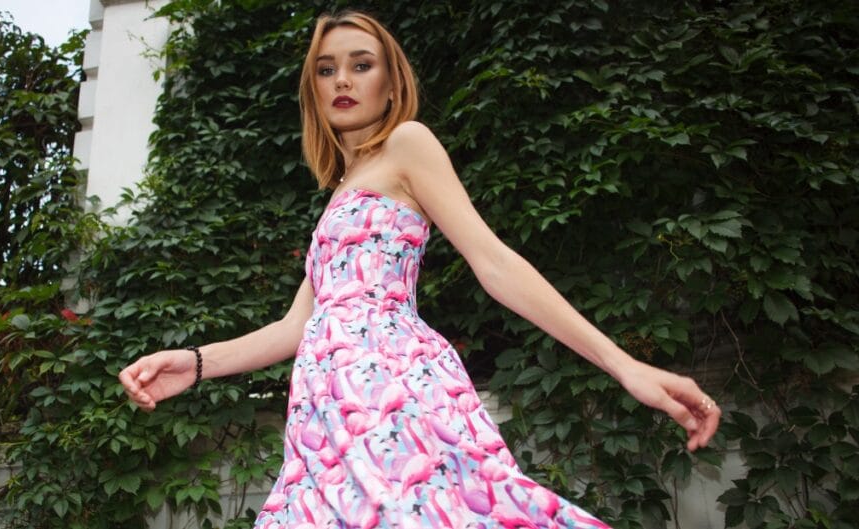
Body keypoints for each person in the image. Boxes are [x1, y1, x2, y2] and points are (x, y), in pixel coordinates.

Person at [119, 10, 721, 528]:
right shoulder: (337, 194)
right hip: (321, 422)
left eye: (361, 64)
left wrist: (625, 365)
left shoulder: (407, 144)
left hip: (392, 396)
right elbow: (295, 326)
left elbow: (494, 262)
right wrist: (194, 363)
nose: (343, 81)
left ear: (390, 80)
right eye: (326, 70)